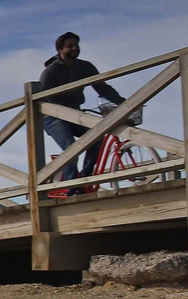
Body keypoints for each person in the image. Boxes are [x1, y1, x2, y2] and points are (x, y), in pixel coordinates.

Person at [39, 32, 125, 189]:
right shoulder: (50, 72)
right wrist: (61, 111)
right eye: (69, 46)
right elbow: (42, 98)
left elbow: (102, 87)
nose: (74, 48)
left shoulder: (85, 67)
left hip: (76, 114)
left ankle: (86, 178)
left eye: (76, 45)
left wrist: (123, 102)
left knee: (97, 135)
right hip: (53, 117)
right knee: (71, 147)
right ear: (60, 49)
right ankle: (73, 187)